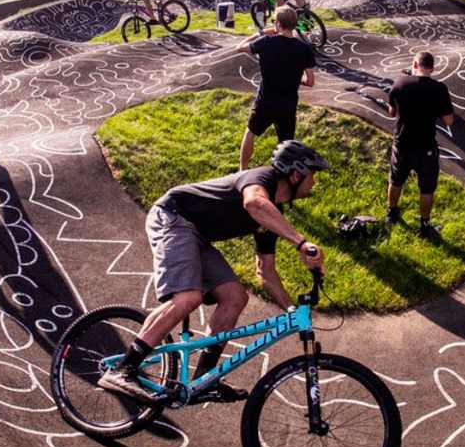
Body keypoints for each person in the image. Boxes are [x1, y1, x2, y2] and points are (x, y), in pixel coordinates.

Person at [97, 140, 330, 403]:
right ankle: (124, 368)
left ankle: (204, 379)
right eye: (313, 175)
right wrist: (300, 242)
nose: (315, 182)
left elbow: (265, 270)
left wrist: (292, 312)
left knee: (235, 297)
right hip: (173, 217)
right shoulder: (261, 178)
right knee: (188, 298)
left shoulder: (270, 217)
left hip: (196, 235)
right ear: (296, 174)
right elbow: (253, 202)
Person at [235, 6, 316, 170]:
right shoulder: (305, 48)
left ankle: (243, 169)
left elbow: (240, 47)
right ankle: (282, 173)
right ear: (294, 24)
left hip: (266, 101)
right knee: (286, 143)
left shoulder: (266, 42)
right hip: (288, 103)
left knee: (251, 132)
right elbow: (310, 81)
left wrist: (261, 33)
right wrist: (294, 77)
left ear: (278, 24)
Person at [385, 51, 453, 239]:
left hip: (402, 142)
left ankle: (391, 213)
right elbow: (448, 120)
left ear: (415, 64)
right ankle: (424, 225)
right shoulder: (439, 89)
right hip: (426, 146)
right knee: (427, 188)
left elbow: (391, 112)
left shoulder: (399, 83)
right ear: (432, 68)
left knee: (396, 179)